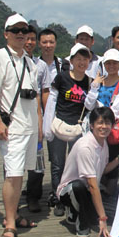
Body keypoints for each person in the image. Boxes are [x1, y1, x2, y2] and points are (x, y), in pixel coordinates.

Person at [0, 14, 41, 237]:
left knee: (20, 174)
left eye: (24, 30)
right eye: (15, 30)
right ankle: (9, 223)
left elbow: (35, 96)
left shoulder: (29, 62)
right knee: (13, 175)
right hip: (13, 129)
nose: (20, 34)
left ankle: (15, 214)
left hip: (29, 128)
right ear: (6, 33)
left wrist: (38, 127)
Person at [57, 107, 119, 237]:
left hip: (89, 190)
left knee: (116, 213)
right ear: (91, 125)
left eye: (107, 123)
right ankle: (81, 221)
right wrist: (102, 218)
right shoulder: (85, 147)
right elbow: (92, 184)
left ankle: (79, 212)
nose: (104, 127)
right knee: (79, 188)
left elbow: (103, 170)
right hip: (71, 191)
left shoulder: (103, 143)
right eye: (100, 123)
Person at [43, 43, 93, 217]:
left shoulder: (89, 82)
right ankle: (58, 199)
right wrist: (47, 127)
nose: (81, 62)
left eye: (85, 59)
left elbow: (90, 106)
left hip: (78, 129)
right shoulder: (61, 78)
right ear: (71, 61)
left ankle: (70, 197)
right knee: (58, 165)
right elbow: (51, 102)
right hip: (59, 126)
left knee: (74, 166)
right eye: (78, 59)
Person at [84, 48, 119, 194]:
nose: (111, 66)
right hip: (96, 129)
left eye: (114, 63)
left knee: (112, 158)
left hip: (111, 128)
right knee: (96, 158)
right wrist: (94, 86)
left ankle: (108, 192)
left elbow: (117, 108)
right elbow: (88, 104)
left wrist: (101, 117)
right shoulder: (98, 81)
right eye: (108, 63)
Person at [24, 25, 51, 213]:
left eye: (32, 39)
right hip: (15, 121)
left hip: (36, 119)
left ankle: (33, 196)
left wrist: (45, 119)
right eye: (26, 38)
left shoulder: (40, 66)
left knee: (37, 161)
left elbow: (45, 92)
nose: (29, 42)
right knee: (13, 162)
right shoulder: (7, 62)